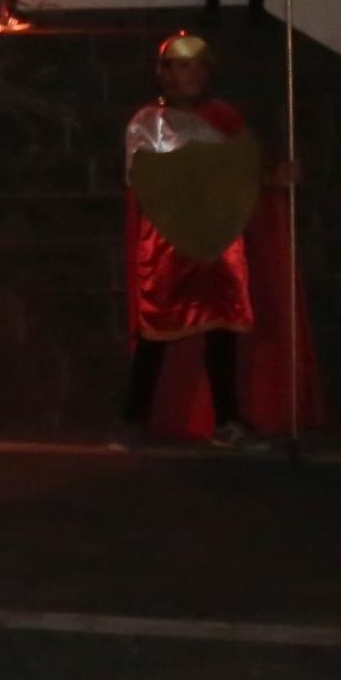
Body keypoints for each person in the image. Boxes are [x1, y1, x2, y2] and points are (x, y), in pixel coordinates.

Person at [122, 34, 256, 447]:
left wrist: (276, 177)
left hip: (219, 237)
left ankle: (227, 421)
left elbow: (242, 176)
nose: (191, 73)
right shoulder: (147, 122)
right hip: (167, 241)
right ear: (165, 73)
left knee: (221, 332)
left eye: (198, 64)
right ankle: (132, 420)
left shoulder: (226, 120)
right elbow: (143, 179)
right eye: (182, 65)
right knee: (155, 334)